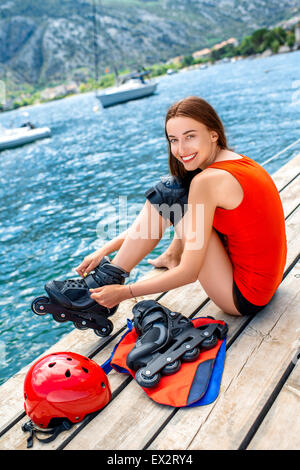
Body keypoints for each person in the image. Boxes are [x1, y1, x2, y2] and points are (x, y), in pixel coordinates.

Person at [76, 96, 287, 317]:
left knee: (171, 193)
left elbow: (189, 272)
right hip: (267, 283)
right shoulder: (235, 162)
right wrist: (104, 250)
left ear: (214, 134)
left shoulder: (207, 182)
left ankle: (106, 282)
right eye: (173, 140)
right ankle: (149, 261)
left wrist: (123, 292)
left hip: (242, 298)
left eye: (190, 137)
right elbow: (157, 222)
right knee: (177, 195)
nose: (181, 149)